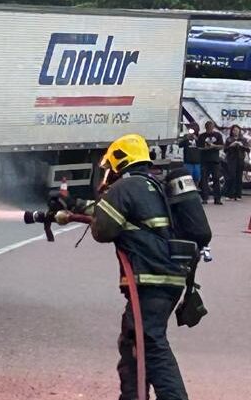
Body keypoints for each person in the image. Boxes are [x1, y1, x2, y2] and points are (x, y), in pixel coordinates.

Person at [91, 134, 207, 400]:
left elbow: (104, 230)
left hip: (151, 278)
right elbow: (126, 216)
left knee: (151, 343)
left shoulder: (125, 187)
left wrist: (96, 211)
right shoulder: (152, 184)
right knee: (132, 340)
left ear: (119, 160)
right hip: (170, 276)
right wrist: (74, 208)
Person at [196, 121, 224, 205]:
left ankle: (217, 199)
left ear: (213, 127)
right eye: (208, 128)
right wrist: (205, 148)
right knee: (204, 180)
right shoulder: (202, 136)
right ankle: (205, 198)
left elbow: (221, 146)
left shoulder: (218, 135)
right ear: (206, 128)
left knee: (216, 179)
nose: (210, 129)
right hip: (205, 161)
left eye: (211, 127)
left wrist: (213, 146)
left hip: (215, 160)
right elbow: (198, 147)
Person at [224, 124, 247, 201]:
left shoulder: (243, 139)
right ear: (232, 131)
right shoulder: (229, 139)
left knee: (239, 177)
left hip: (240, 160)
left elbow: (247, 149)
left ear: (239, 131)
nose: (235, 132)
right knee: (231, 176)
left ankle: (238, 194)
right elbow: (225, 150)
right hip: (231, 160)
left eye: (237, 130)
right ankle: (229, 194)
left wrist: (241, 145)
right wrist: (231, 145)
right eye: (234, 130)